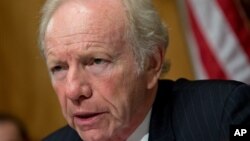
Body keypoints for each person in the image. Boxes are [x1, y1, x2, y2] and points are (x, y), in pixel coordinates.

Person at [39, 0, 250, 141]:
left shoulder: (224, 117)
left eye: (96, 61)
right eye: (59, 68)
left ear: (151, 62)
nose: (73, 90)